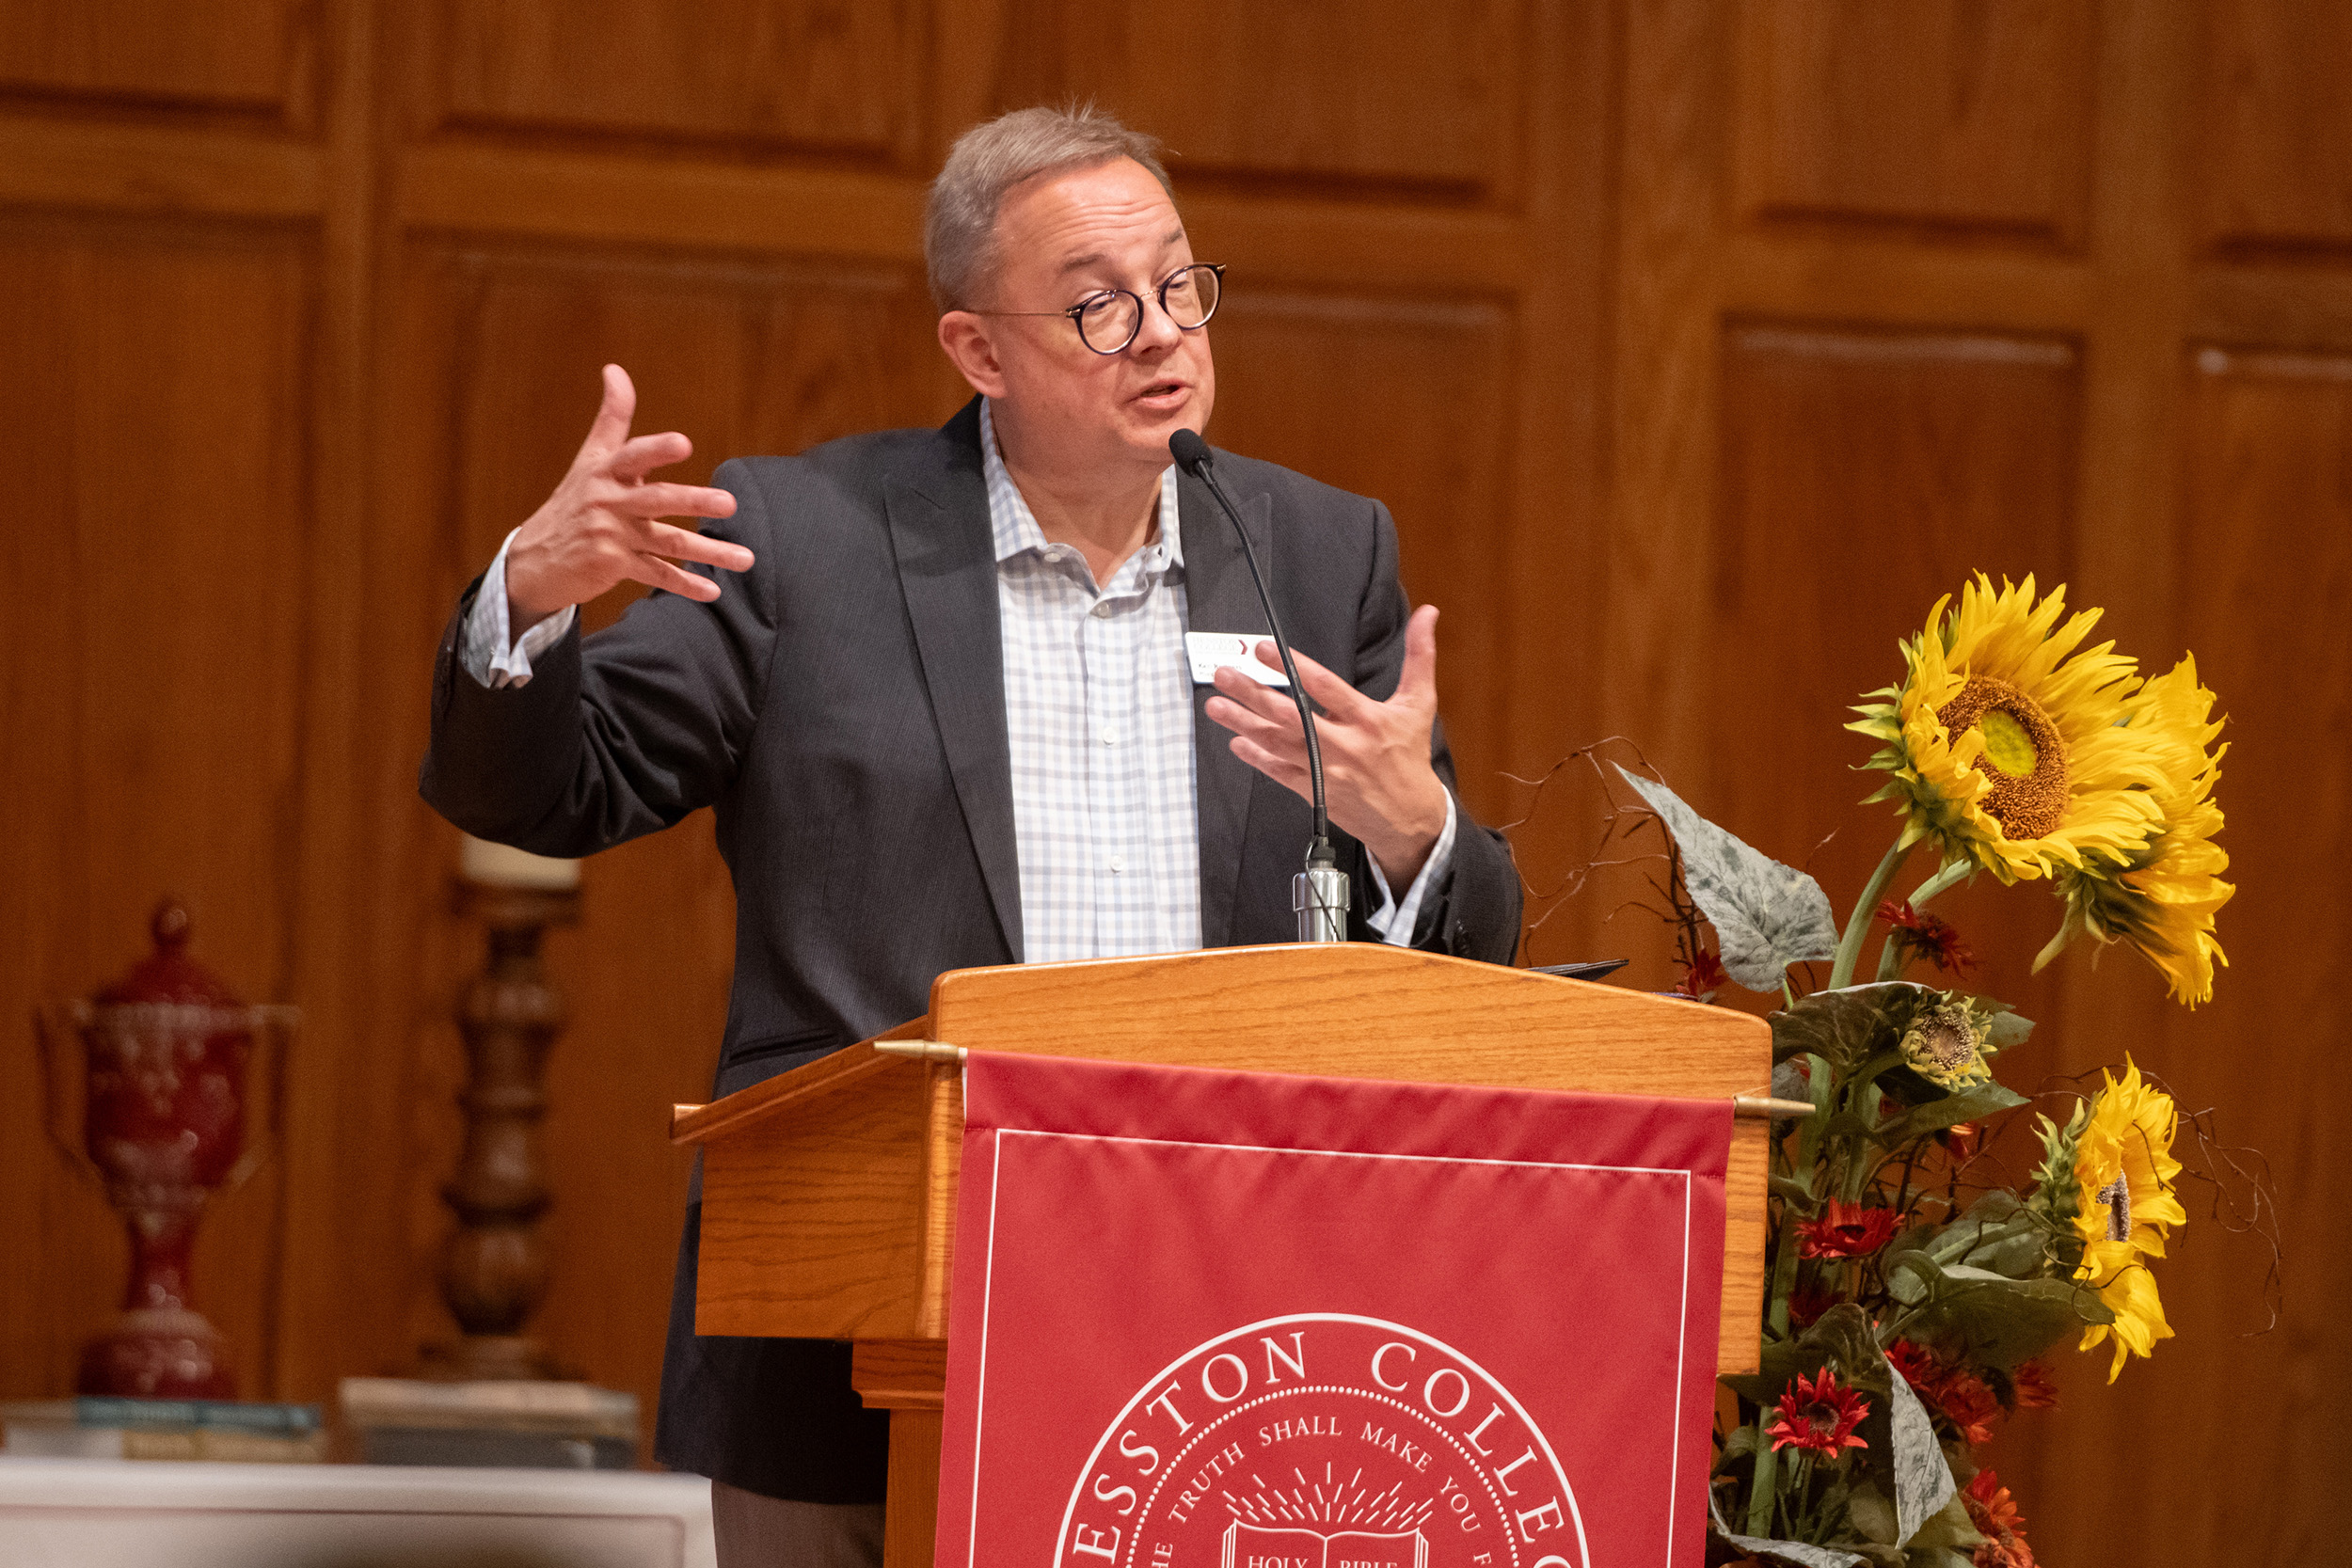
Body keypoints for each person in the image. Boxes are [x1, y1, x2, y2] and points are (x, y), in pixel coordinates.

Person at [421, 104, 1520, 1565]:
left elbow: (1462, 955)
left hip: (1228, 1353)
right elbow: (550, 789)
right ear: (978, 351)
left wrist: (1416, 832)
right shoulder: (802, 540)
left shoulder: (1317, 553)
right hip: (859, 1353)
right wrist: (532, 601)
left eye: (1181, 285)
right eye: (1097, 304)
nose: (1161, 334)